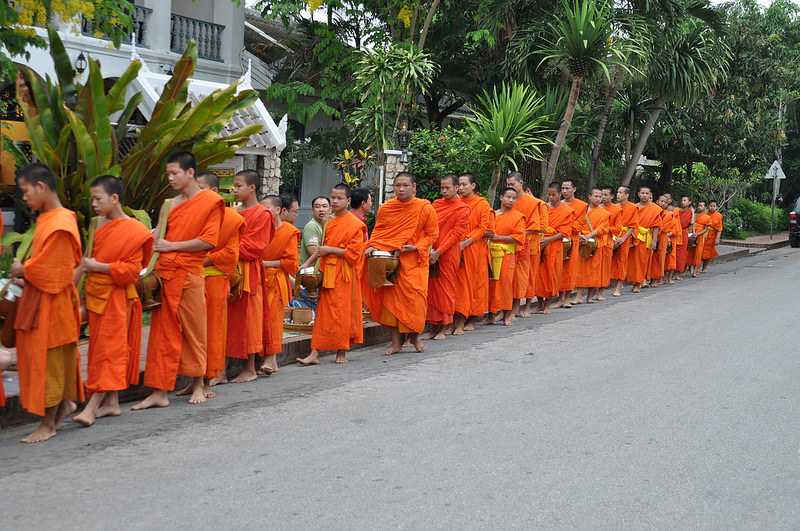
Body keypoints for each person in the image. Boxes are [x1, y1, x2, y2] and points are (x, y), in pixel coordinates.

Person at [132, 151, 224, 410]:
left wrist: (172, 246)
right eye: (168, 174)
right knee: (162, 334)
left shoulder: (210, 201)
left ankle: (198, 384)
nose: (170, 178)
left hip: (191, 274)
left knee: (194, 330)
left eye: (175, 173)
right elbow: (157, 240)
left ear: (190, 172)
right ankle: (159, 391)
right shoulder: (168, 204)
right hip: (166, 275)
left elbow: (208, 241)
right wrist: (143, 270)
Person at [71, 175, 154, 427]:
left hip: (117, 297)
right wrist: (69, 291)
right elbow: (85, 261)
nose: (93, 204)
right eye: (92, 199)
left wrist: (101, 266)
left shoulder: (136, 230)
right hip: (95, 296)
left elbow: (131, 272)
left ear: (114, 197)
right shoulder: (96, 224)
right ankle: (112, 403)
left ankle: (93, 404)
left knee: (109, 352)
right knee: (99, 349)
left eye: (98, 199)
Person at [12, 163, 84, 443]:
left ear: (41, 187)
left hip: (54, 306)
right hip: (42, 301)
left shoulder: (61, 223)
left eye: (26, 191)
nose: (25, 197)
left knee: (49, 364)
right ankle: (64, 406)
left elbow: (55, 273)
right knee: (43, 362)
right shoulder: (48, 219)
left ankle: (49, 423)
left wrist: (23, 270)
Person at [176, 172, 245, 397]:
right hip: (191, 278)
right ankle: (192, 379)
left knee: (212, 331)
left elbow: (230, 254)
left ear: (214, 192)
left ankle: (207, 381)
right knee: (189, 331)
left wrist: (198, 258)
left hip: (214, 280)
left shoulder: (231, 218)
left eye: (201, 189)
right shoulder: (193, 215)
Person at [362, 172, 438, 355]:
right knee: (391, 303)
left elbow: (432, 235)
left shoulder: (424, 208)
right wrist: (371, 246)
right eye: (398, 185)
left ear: (414, 188)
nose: (401, 189)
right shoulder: (387, 208)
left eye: (405, 185)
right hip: (391, 264)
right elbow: (379, 234)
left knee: (415, 302)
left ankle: (413, 339)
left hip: (415, 263)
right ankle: (395, 343)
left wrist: (416, 247)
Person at [297, 184, 367, 364]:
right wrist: (306, 263)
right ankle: (314, 353)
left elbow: (354, 254)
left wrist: (330, 249)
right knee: (322, 314)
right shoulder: (328, 220)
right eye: (333, 198)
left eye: (339, 198)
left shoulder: (355, 224)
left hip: (344, 273)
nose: (334, 202)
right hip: (326, 272)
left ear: (348, 201)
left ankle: (341, 351)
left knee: (342, 312)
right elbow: (320, 249)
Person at [225, 169, 274, 383]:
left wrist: (226, 248)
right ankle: (220, 371)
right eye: (234, 186)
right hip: (229, 270)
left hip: (249, 271)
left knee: (250, 320)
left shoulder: (263, 214)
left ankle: (250, 368)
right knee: (226, 321)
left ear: (251, 188)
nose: (234, 190)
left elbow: (256, 247)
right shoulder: (232, 212)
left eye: (238, 186)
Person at [422, 174, 470, 340]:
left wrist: (439, 251)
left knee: (446, 289)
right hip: (432, 250)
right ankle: (434, 327)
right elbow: (429, 227)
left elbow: (456, 234)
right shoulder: (436, 204)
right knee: (432, 289)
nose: (444, 191)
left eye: (447, 188)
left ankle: (445, 325)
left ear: (457, 188)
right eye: (442, 188)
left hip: (448, 253)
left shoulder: (463, 208)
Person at [261, 194, 301, 373]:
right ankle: (271, 361)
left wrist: (266, 264)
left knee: (273, 320)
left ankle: (270, 359)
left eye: (267, 208)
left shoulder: (289, 232)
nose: (263, 212)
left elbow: (291, 263)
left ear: (278, 210)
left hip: (275, 280)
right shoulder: (258, 230)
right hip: (257, 280)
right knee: (260, 320)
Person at [452, 173, 494, 334]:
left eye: (464, 184)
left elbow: (483, 228)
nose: (461, 188)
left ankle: (471, 319)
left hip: (475, 249)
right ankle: (457, 317)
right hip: (457, 248)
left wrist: (466, 242)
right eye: (459, 185)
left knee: (475, 284)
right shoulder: (456, 202)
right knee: (459, 285)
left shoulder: (482, 204)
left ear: (473, 186)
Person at [484, 188, 525, 326]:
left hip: (507, 254)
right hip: (492, 253)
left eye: (514, 198)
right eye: (508, 197)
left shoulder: (518, 217)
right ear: (501, 197)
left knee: (506, 285)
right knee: (492, 285)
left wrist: (498, 237)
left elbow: (518, 238)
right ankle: (491, 315)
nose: (510, 200)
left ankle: (506, 316)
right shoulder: (493, 214)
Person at [507, 172, 544, 318]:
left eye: (512, 184)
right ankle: (512, 308)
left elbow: (534, 225)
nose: (510, 187)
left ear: (521, 183)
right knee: (512, 277)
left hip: (530, 244)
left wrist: (519, 236)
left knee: (529, 276)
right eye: (508, 185)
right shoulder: (509, 200)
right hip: (512, 244)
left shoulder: (531, 202)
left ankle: (527, 306)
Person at [535, 182, 574, 314]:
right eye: (549, 194)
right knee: (539, 276)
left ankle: (547, 305)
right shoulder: (544, 207)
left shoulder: (566, 211)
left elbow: (565, 232)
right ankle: (539, 304)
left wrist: (549, 239)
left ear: (560, 194)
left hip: (554, 245)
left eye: (554, 195)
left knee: (552, 275)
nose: (551, 197)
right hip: (541, 244)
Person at [572, 187, 611, 304]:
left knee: (594, 271)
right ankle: (578, 297)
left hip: (595, 244)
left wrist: (589, 236)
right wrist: (580, 236)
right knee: (580, 270)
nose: (599, 199)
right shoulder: (582, 210)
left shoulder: (604, 213)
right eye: (596, 196)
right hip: (582, 242)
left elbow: (603, 228)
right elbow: (576, 224)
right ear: (589, 197)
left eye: (601, 197)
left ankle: (589, 297)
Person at [556, 180, 588, 309]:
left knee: (569, 270)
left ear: (574, 189)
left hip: (572, 240)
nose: (564, 191)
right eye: (563, 188)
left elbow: (578, 225)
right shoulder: (558, 205)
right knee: (558, 270)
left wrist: (563, 228)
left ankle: (567, 298)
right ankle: (560, 299)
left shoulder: (581, 206)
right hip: (557, 240)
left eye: (567, 188)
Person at [627, 186, 661, 293]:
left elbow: (656, 226)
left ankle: (638, 283)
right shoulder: (634, 207)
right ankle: (634, 282)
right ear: (638, 194)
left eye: (647, 193)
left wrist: (654, 240)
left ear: (650, 195)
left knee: (642, 261)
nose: (644, 195)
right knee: (632, 261)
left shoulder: (654, 208)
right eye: (642, 193)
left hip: (646, 237)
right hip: (634, 235)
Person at [610, 186, 638, 297]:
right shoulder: (614, 207)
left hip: (625, 236)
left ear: (627, 195)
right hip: (613, 235)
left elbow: (633, 226)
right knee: (612, 261)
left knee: (622, 261)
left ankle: (618, 287)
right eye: (617, 192)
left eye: (621, 193)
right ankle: (615, 282)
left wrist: (624, 238)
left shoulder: (632, 207)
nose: (618, 195)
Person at [597, 187, 621, 301]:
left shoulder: (616, 210)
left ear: (612, 196)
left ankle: (600, 293)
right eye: (602, 194)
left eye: (606, 195)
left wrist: (604, 228)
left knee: (605, 268)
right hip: (596, 241)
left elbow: (618, 229)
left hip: (608, 241)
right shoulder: (595, 208)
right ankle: (591, 292)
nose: (603, 197)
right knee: (594, 267)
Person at [645, 194, 670, 288]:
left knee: (658, 259)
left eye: (665, 202)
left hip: (661, 239)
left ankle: (655, 279)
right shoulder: (653, 212)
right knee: (649, 259)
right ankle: (646, 278)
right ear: (657, 202)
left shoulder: (668, 215)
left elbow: (663, 228)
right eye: (661, 201)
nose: (663, 204)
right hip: (650, 236)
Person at [687, 200, 710, 278]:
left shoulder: (707, 217)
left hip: (700, 236)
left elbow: (705, 229)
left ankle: (696, 271)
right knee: (690, 252)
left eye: (701, 206)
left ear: (705, 207)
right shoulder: (695, 215)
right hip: (692, 235)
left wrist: (698, 234)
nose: (699, 207)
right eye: (699, 205)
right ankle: (690, 269)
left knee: (698, 253)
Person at [701, 199, 724, 272]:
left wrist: (717, 239)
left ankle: (704, 268)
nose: (712, 208)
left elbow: (719, 229)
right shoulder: (704, 213)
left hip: (711, 236)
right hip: (702, 233)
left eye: (714, 206)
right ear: (708, 206)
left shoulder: (719, 216)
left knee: (708, 253)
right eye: (710, 206)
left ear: (717, 207)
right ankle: (695, 268)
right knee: (699, 251)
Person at [675, 196, 694, 279]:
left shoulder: (690, 212)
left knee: (681, 254)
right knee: (673, 253)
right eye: (682, 200)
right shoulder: (677, 210)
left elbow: (692, 222)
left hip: (684, 234)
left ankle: (677, 274)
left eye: (685, 200)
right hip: (675, 232)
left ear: (689, 202)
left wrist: (693, 212)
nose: (683, 202)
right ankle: (670, 273)